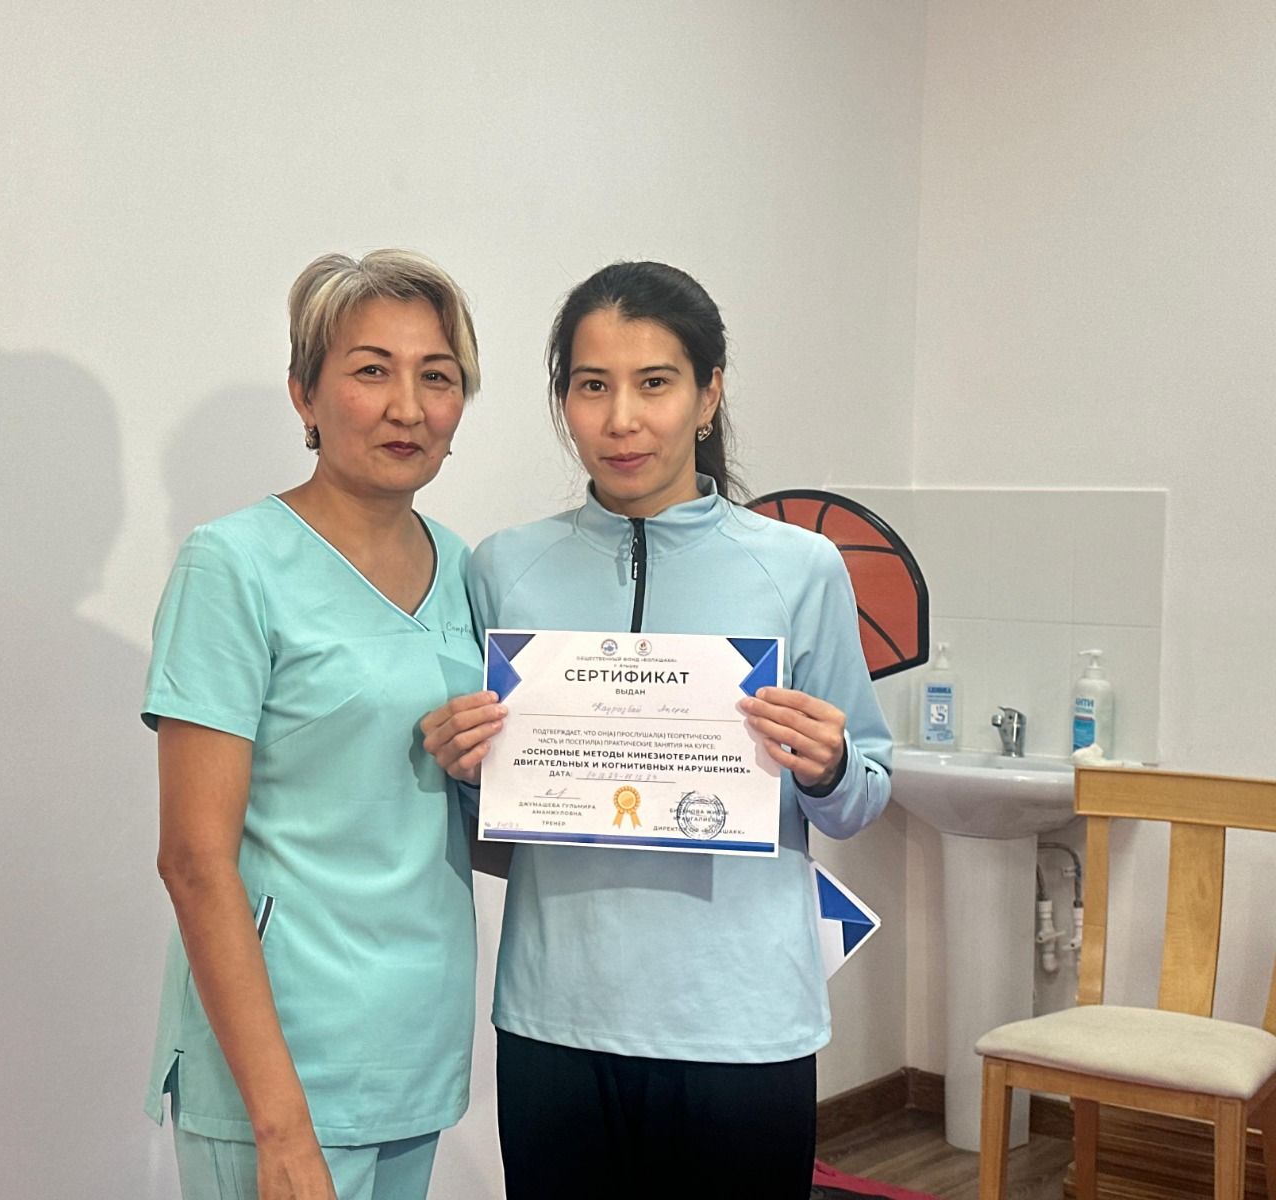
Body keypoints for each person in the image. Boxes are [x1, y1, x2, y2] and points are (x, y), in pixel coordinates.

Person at [421, 261, 893, 1198]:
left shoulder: (800, 568)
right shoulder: (504, 568)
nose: (622, 419)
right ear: (564, 402)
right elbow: (491, 826)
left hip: (743, 1023)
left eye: (655, 383)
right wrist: (469, 768)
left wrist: (830, 763)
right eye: (593, 386)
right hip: (555, 1018)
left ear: (708, 394)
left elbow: (862, 797)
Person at [145, 250, 484, 1200]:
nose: (408, 407)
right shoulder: (233, 565)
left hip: (415, 1049)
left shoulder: (466, 570)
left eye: (438, 376)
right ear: (305, 393)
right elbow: (193, 861)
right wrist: (280, 1123)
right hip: (281, 1069)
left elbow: (475, 822)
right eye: (372, 370)